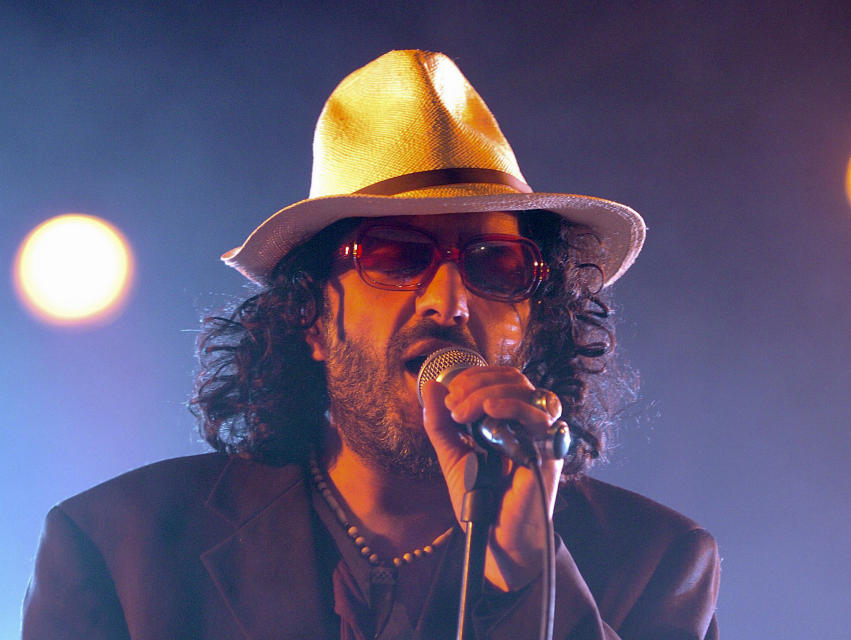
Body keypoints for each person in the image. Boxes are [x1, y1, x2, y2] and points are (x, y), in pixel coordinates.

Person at [22, 50, 720, 639]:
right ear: (312, 317)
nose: (449, 302)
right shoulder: (120, 548)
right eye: (395, 256)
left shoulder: (655, 562)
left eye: (494, 266)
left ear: (533, 320)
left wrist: (532, 575)